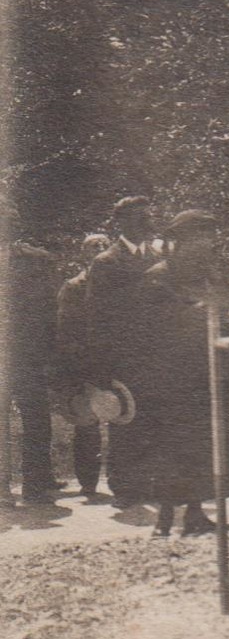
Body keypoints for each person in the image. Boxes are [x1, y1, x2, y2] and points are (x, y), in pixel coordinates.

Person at [142, 210, 228, 536]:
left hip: (203, 371)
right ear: (184, 240)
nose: (209, 244)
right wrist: (204, 310)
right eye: (203, 237)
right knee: (170, 444)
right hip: (169, 375)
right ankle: (164, 517)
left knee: (201, 443)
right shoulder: (159, 275)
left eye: (211, 237)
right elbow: (157, 326)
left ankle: (194, 512)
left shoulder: (210, 276)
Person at [86, 196, 162, 506]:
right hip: (124, 358)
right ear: (122, 222)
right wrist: (102, 369)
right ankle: (125, 488)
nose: (147, 222)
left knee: (154, 419)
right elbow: (96, 318)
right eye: (139, 217)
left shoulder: (157, 257)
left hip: (156, 356)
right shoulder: (106, 262)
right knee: (126, 423)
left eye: (148, 216)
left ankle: (149, 483)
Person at [4, 217, 60, 505]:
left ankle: (36, 483)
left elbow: (49, 319)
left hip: (28, 359)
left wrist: (48, 357)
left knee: (37, 421)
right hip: (14, 359)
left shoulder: (34, 268)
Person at [56, 233, 114, 499]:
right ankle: (89, 482)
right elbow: (65, 328)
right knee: (87, 422)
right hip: (84, 362)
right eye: (94, 247)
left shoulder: (118, 284)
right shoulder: (73, 287)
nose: (99, 250)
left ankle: (120, 478)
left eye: (104, 246)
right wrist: (76, 362)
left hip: (114, 359)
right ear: (84, 254)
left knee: (121, 417)